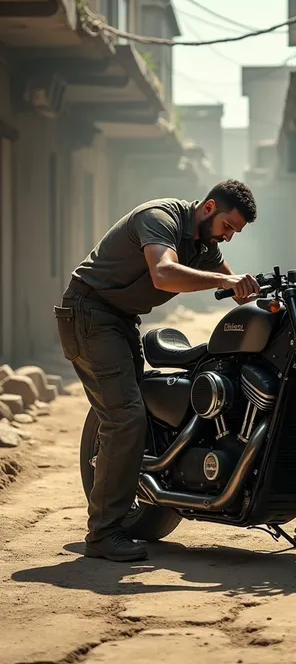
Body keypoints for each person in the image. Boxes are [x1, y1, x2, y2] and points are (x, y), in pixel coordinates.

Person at [54, 180, 260, 562]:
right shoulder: (160, 217)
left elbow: (239, 291)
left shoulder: (205, 246)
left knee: (139, 411)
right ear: (209, 207)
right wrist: (226, 280)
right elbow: (163, 274)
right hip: (89, 312)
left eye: (236, 232)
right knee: (125, 418)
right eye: (228, 226)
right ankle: (102, 534)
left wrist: (271, 296)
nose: (229, 237)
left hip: (120, 319)